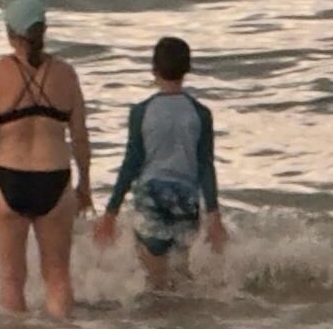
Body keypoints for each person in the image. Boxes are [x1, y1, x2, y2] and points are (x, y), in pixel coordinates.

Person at [0, 0, 90, 318]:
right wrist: (85, 185)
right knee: (57, 276)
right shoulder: (66, 75)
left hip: (10, 178)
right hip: (54, 177)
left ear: (10, 34)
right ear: (44, 30)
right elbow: (80, 137)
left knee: (12, 278)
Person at [90, 33, 229, 289]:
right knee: (181, 275)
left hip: (152, 196)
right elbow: (205, 166)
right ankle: (182, 323)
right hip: (186, 198)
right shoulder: (200, 113)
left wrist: (111, 212)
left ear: (154, 69)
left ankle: (157, 324)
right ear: (187, 69)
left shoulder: (142, 112)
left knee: (154, 279)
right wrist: (213, 215)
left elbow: (131, 163)